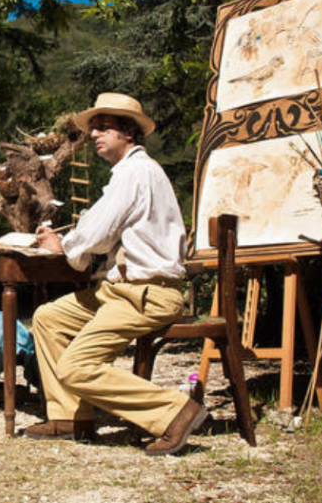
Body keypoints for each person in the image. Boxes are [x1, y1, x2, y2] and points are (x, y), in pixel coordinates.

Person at [26, 92, 207, 456]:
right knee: (48, 318)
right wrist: (71, 243)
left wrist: (65, 248)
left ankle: (175, 412)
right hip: (122, 291)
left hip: (148, 293)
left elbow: (97, 232)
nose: (94, 135)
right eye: (93, 129)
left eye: (104, 128)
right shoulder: (127, 173)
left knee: (76, 367)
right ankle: (70, 416)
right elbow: (97, 224)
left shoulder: (135, 171)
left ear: (129, 133)